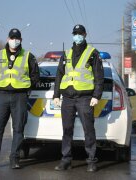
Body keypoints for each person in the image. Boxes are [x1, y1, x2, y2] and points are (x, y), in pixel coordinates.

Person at [0, 28, 39, 169]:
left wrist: (25, 88)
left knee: (18, 128)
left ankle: (15, 158)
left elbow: (35, 76)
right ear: (8, 39)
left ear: (21, 40)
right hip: (2, 96)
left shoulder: (28, 56)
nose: (14, 41)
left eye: (17, 38)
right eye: (12, 38)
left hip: (19, 96)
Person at [53, 24, 104, 172]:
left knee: (88, 129)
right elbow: (59, 75)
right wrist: (56, 94)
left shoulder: (93, 53)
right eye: (75, 33)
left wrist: (96, 96)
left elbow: (99, 76)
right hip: (67, 99)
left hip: (85, 98)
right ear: (72, 35)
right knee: (67, 130)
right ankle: (66, 160)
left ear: (85, 34)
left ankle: (91, 161)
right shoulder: (66, 53)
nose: (77, 36)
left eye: (80, 33)